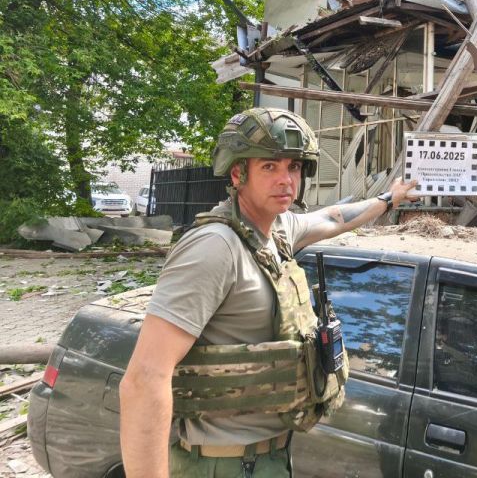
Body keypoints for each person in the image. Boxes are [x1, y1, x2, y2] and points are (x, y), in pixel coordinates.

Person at [119, 107, 417, 478]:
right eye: (269, 167)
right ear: (237, 174)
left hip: (268, 459)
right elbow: (144, 379)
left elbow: (334, 218)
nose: (286, 180)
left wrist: (390, 198)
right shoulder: (214, 247)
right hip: (221, 465)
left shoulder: (275, 231)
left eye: (294, 167)